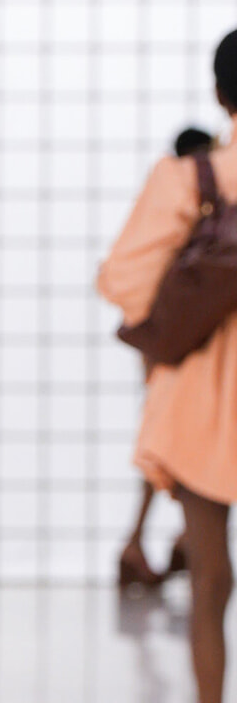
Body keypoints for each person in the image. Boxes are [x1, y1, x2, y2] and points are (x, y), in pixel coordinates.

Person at [98, 36, 237, 703]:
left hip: (201, 405)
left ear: (222, 97)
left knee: (211, 592)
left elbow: (124, 280)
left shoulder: (192, 178)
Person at [116, 126, 212, 591]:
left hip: (165, 338)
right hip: (187, 344)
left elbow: (129, 272)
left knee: (166, 441)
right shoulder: (198, 199)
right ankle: (164, 540)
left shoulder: (169, 199)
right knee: (177, 441)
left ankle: (156, 541)